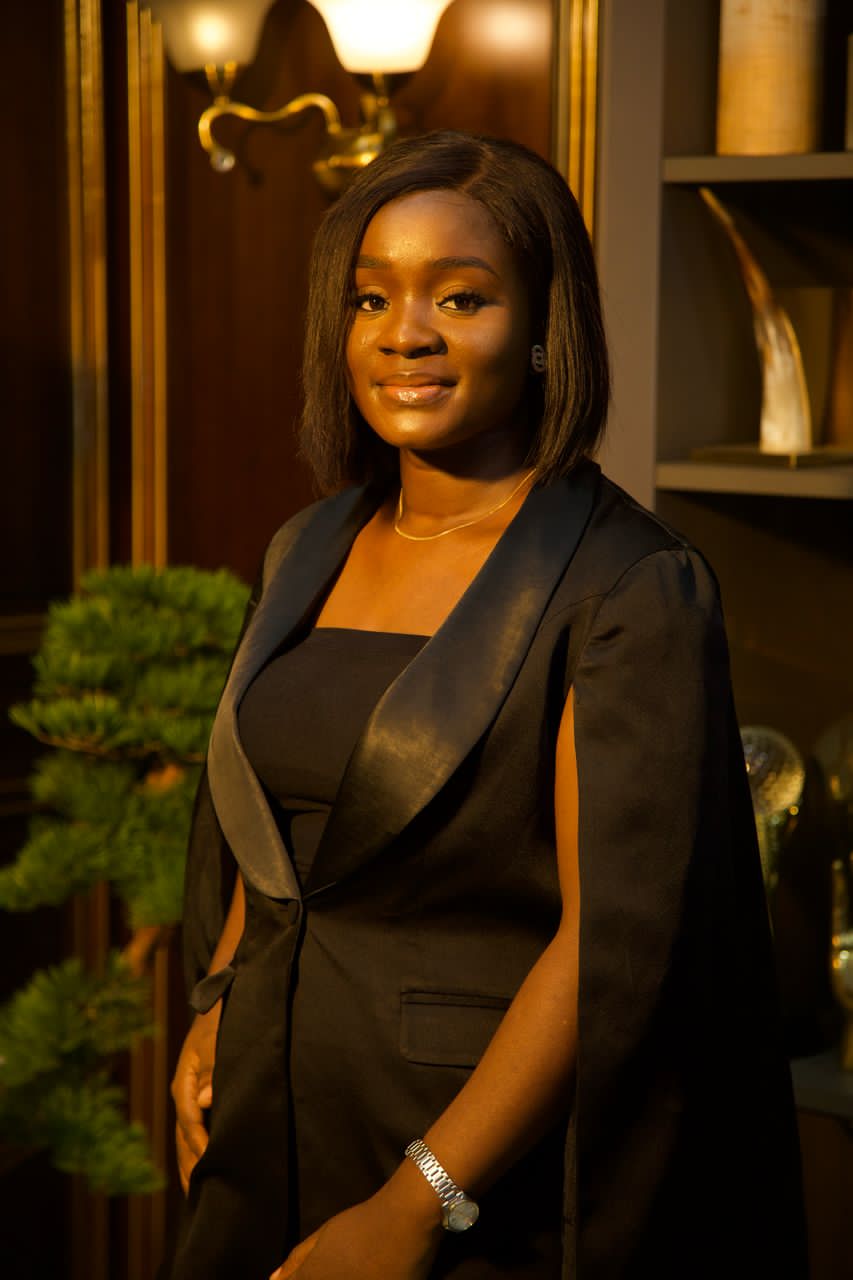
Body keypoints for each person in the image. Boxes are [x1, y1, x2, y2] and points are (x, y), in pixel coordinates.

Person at [168, 131, 807, 1280]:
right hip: (259, 1114)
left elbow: (609, 944)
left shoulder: (626, 585)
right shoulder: (306, 546)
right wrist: (220, 1004)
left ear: (546, 327)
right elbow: (275, 830)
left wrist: (418, 1200)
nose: (404, 332)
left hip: (465, 1159)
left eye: (460, 297)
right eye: (372, 297)